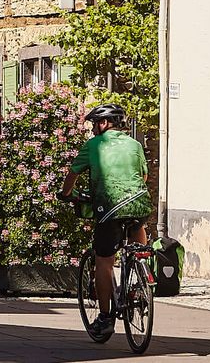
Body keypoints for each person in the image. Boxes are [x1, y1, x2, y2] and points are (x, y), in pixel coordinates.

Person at [59, 103, 150, 339]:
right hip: (140, 202)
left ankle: (105, 316)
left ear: (103, 123)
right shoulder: (135, 144)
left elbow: (73, 174)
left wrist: (66, 194)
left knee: (104, 261)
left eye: (94, 125)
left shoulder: (93, 146)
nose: (92, 130)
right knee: (137, 229)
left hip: (109, 207)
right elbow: (144, 175)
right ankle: (141, 274)